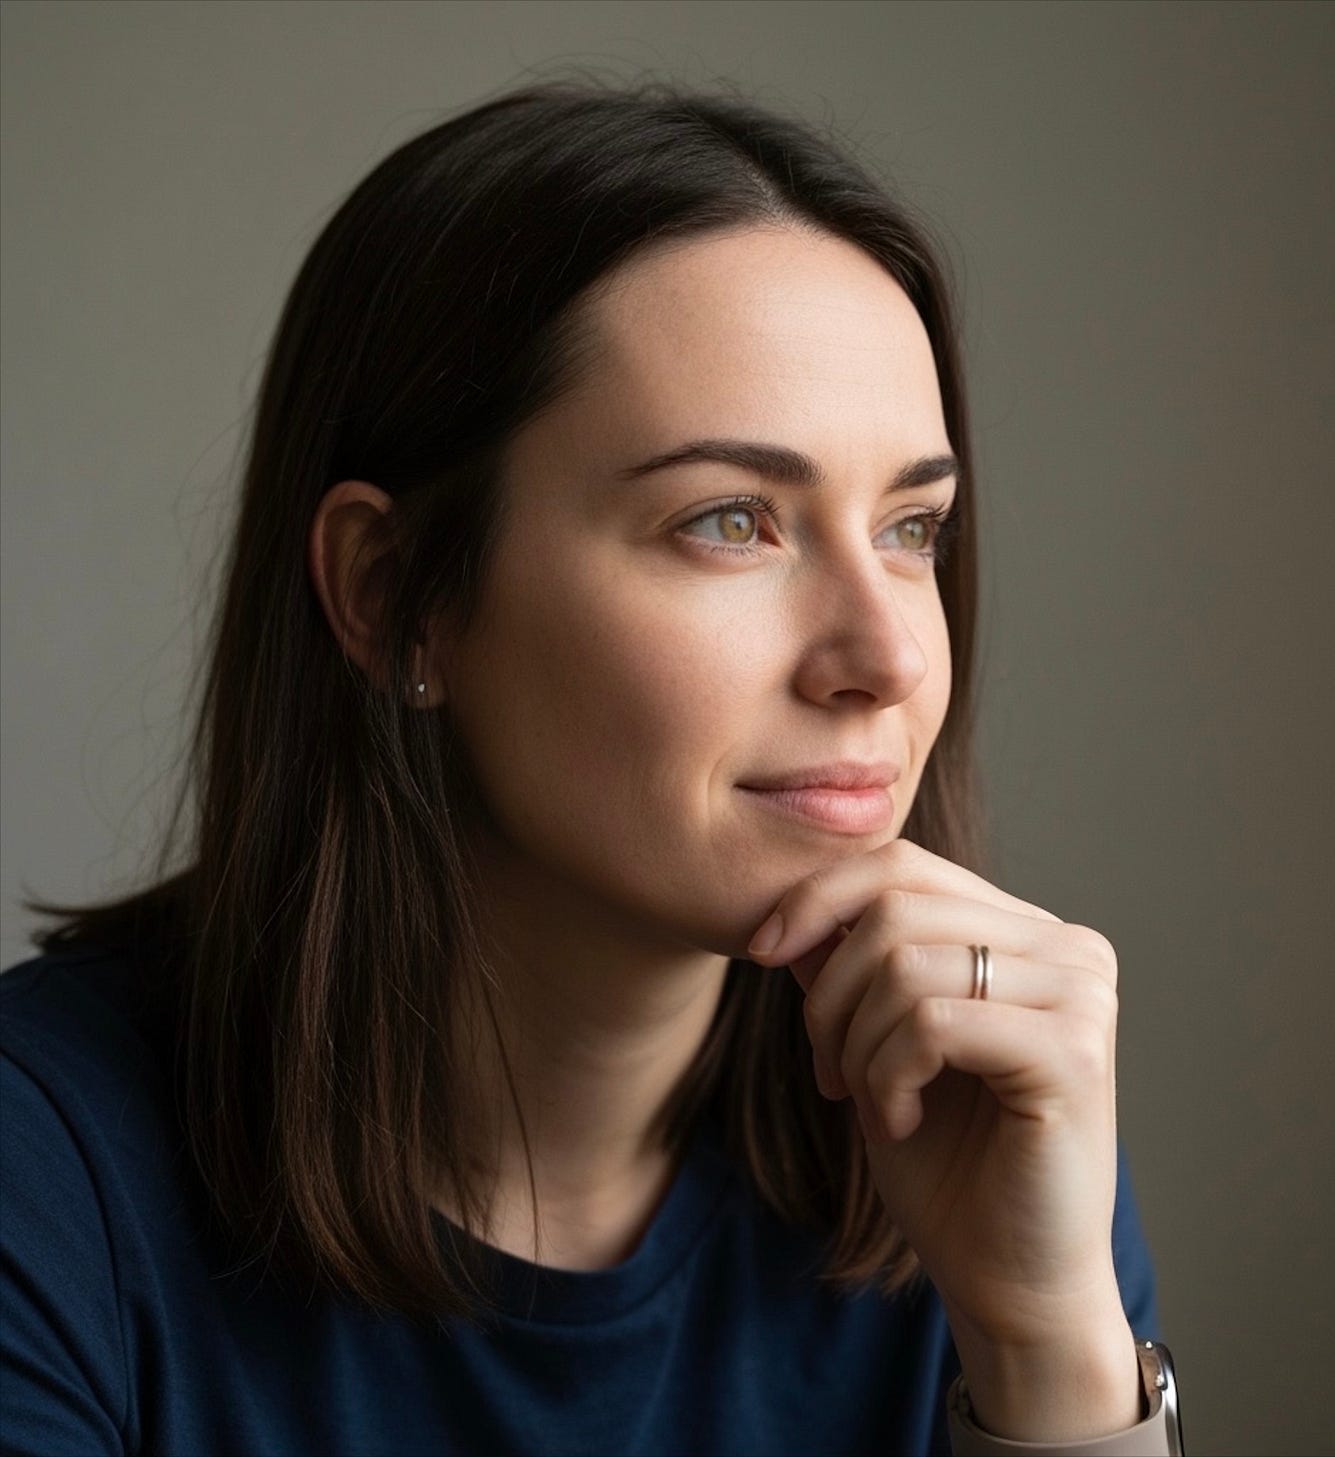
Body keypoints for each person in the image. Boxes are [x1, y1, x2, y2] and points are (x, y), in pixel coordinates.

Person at [0, 76, 1183, 1456]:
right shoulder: (48, 1172)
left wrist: (1043, 1342)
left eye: (914, 528)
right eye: (733, 520)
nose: (887, 655)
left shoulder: (987, 1120)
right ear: (392, 596)